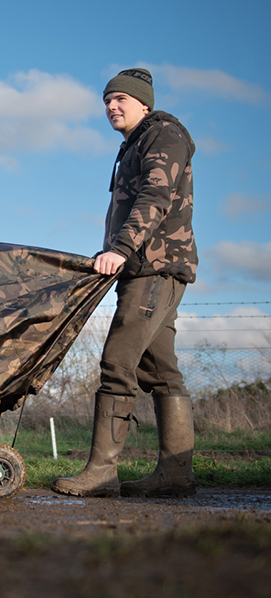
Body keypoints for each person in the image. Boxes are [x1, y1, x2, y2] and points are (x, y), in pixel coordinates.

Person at [53, 67, 198, 498]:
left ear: (144, 103)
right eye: (106, 101)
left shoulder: (163, 135)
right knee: (160, 371)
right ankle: (176, 476)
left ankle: (101, 471)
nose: (111, 107)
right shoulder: (135, 143)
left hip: (154, 266)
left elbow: (156, 195)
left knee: (118, 363)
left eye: (119, 99)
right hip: (146, 267)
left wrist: (121, 248)